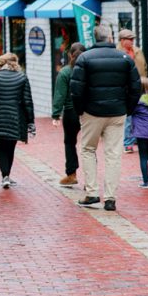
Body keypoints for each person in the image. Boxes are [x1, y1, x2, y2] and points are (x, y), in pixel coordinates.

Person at [71, 25, 141, 212]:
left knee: (88, 149)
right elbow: (136, 87)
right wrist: (128, 109)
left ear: (94, 37)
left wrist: (80, 111)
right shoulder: (125, 58)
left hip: (91, 112)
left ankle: (92, 192)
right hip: (117, 112)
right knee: (113, 154)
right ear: (110, 37)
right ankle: (110, 198)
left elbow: (76, 89)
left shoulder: (84, 58)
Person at [0, 52, 35, 189]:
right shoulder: (22, 78)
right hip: (14, 119)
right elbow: (27, 102)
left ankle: (5, 175)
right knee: (10, 147)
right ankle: (7, 175)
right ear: (15, 63)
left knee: (0, 148)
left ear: (1, 63)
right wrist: (31, 122)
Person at [52, 42, 85, 187]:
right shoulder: (89, 70)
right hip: (88, 111)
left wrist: (56, 114)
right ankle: (91, 180)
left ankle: (71, 175)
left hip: (71, 113)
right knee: (89, 146)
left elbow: (60, 94)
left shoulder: (65, 72)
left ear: (70, 55)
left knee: (70, 143)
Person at [116, 29, 148, 154]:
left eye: (133, 39)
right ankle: (128, 143)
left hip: (139, 87)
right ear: (123, 40)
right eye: (130, 39)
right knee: (128, 116)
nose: (132, 41)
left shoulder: (137, 51)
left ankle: (136, 139)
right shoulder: (117, 52)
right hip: (125, 88)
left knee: (139, 114)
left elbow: (144, 67)